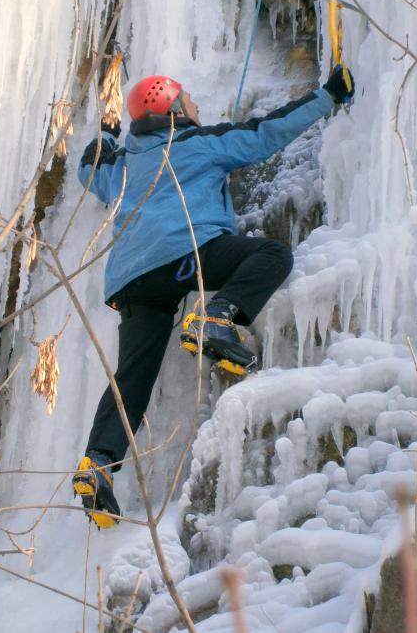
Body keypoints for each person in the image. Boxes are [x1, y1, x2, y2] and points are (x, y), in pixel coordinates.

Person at [72, 66, 355, 527]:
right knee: (271, 255)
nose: (197, 108)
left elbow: (91, 170)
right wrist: (328, 96)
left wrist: (105, 133)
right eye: (190, 102)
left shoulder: (124, 164)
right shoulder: (197, 144)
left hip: (133, 281)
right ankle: (216, 317)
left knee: (132, 378)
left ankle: (97, 464)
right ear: (176, 109)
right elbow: (264, 134)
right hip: (188, 252)